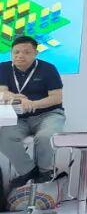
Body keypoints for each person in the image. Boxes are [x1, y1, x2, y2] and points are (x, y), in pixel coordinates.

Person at [0, 35, 66, 186]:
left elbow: (56, 98)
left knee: (45, 137)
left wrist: (33, 104)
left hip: (48, 115)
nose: (20, 56)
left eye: (26, 52)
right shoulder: (3, 68)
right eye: (16, 52)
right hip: (19, 117)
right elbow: (2, 92)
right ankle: (29, 172)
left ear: (36, 53)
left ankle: (45, 172)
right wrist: (15, 97)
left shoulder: (48, 69)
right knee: (4, 138)